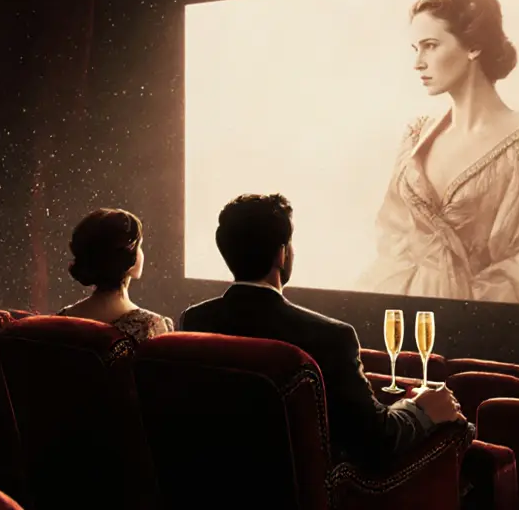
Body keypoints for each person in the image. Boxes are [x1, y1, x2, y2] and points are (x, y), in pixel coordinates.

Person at [180, 194, 465, 468]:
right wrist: (421, 409)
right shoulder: (330, 336)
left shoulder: (193, 323)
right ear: (282, 254)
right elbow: (376, 442)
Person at [357, 0, 519, 304]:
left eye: (430, 45)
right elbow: (392, 237)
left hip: (472, 322)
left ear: (473, 46)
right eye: (415, 49)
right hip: (402, 308)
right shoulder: (417, 138)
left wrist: (469, 299)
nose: (418, 62)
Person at [57, 208, 174, 342]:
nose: (142, 253)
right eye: (139, 246)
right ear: (128, 258)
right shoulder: (150, 327)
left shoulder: (60, 320)